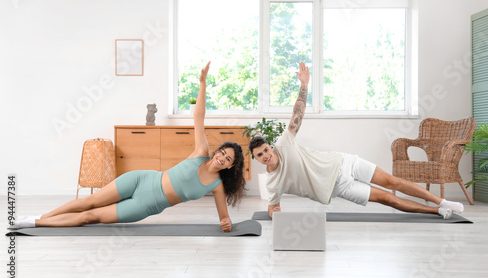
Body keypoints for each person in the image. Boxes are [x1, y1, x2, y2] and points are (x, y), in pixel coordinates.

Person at [15, 62, 246, 232]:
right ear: (217, 151)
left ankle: (37, 222)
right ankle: (39, 217)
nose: (222, 158)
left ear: (231, 166)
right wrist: (202, 85)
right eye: (222, 153)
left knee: (90, 216)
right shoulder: (200, 153)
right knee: (89, 200)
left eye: (227, 159)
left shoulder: (217, 187)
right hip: (142, 179)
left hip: (145, 205)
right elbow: (199, 117)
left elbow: (224, 218)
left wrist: (226, 224)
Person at [249, 62, 464, 220]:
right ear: (256, 159)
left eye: (266, 149)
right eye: (260, 155)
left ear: (269, 145)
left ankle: (442, 201)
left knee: (392, 182)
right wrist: (273, 213)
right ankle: (436, 211)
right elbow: (273, 205)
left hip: (344, 163)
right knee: (386, 198)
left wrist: (304, 85)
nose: (266, 155)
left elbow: (298, 112)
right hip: (341, 186)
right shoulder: (272, 182)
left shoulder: (284, 143)